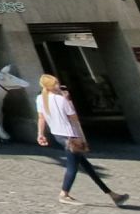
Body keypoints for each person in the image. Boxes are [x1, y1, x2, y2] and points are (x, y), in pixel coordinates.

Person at [36, 74, 128, 207]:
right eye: (56, 83)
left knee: (87, 166)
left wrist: (40, 134)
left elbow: (41, 118)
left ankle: (112, 195)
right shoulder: (61, 100)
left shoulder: (40, 99)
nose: (58, 85)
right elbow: (74, 118)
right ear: (52, 86)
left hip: (58, 135)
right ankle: (64, 193)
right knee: (72, 167)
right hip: (70, 136)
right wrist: (68, 100)